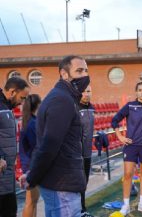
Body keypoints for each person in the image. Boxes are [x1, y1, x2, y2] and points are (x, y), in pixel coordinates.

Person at [21, 55, 90, 217]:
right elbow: (49, 145)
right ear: (64, 74)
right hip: (62, 185)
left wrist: (32, 173)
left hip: (60, 182)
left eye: (86, 70)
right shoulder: (62, 99)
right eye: (79, 71)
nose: (84, 75)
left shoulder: (63, 97)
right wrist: (33, 176)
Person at [111, 81, 142, 216]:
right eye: (140, 90)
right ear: (136, 92)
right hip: (131, 145)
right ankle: (126, 205)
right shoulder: (130, 106)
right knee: (128, 174)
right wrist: (120, 136)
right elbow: (114, 120)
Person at [0, 77, 30, 217]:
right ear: (12, 92)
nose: (22, 102)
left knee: (11, 211)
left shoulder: (6, 107)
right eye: (22, 98)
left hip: (7, 176)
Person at [19, 94, 42, 217]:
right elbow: (36, 146)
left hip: (30, 165)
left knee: (33, 201)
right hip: (30, 166)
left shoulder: (30, 121)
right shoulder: (32, 123)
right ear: (38, 105)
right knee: (30, 202)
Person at [79, 85, 95, 217]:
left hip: (88, 152)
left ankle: (82, 209)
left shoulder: (92, 108)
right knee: (78, 183)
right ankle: (79, 210)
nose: (86, 94)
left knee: (84, 182)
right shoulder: (74, 108)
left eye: (88, 91)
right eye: (83, 92)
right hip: (76, 154)